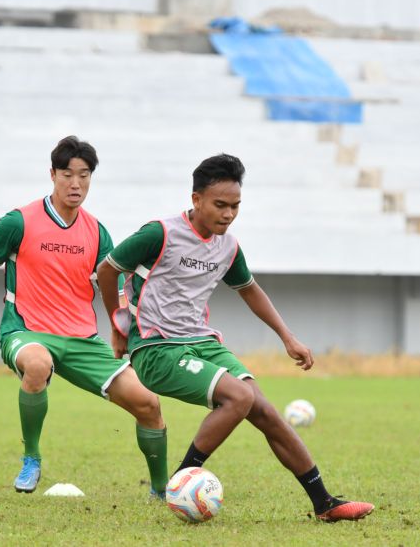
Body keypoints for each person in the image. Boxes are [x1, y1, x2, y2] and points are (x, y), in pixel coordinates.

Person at [96, 154, 373, 522]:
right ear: (196, 200)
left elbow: (250, 289)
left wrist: (287, 337)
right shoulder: (159, 233)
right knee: (239, 397)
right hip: (156, 348)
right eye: (220, 205)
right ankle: (182, 482)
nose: (228, 214)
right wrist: (119, 328)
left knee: (264, 410)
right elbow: (107, 270)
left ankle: (325, 503)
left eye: (236, 206)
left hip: (203, 342)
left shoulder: (228, 247)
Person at [0, 136, 169, 497]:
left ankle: (162, 491)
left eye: (84, 176)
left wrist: (123, 330)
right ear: (52, 175)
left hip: (81, 340)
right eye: (67, 175)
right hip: (26, 331)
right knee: (38, 364)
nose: (76, 184)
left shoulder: (97, 232)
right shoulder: (19, 222)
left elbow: (116, 288)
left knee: (148, 404)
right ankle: (31, 458)